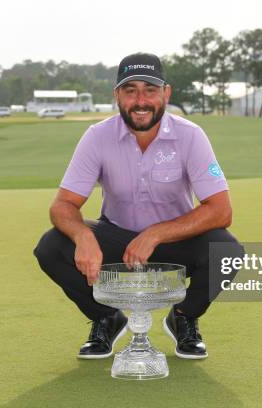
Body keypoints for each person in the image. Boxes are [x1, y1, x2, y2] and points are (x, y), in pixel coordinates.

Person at [34, 52, 244, 360]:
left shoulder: (191, 136)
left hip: (176, 241)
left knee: (228, 251)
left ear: (165, 93)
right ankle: (106, 317)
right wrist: (83, 236)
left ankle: (184, 316)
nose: (140, 100)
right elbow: (63, 205)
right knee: (51, 247)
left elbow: (221, 210)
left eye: (150, 90)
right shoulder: (97, 137)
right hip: (117, 239)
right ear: (117, 95)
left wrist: (157, 233)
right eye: (130, 90)